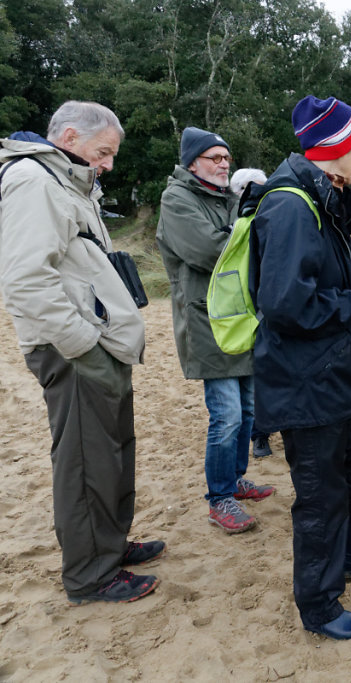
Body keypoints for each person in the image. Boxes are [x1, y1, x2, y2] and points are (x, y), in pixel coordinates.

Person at [247, 95, 351, 640]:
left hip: (339, 375)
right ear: (334, 147)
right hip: (307, 382)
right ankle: (319, 607)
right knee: (320, 498)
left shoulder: (325, 196)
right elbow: (286, 305)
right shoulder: (290, 205)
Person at [0, 101, 162, 604]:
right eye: (104, 152)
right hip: (72, 349)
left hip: (93, 343)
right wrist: (81, 343)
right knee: (86, 461)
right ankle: (92, 574)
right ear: (70, 136)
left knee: (110, 451)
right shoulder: (34, 182)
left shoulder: (65, 181)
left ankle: (108, 545)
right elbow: (26, 279)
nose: (109, 163)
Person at [157, 126, 275, 534]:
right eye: (215, 158)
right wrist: (245, 234)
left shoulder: (228, 198)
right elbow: (211, 250)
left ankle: (235, 478)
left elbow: (241, 243)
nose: (224, 164)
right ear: (193, 162)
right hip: (205, 321)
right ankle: (219, 497)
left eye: (227, 158)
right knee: (224, 416)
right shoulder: (177, 199)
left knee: (246, 410)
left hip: (239, 319)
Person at [229, 167, 275, 457]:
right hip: (245, 308)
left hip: (271, 303)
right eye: (257, 188)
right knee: (255, 379)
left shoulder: (271, 215)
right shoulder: (234, 220)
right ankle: (260, 435)